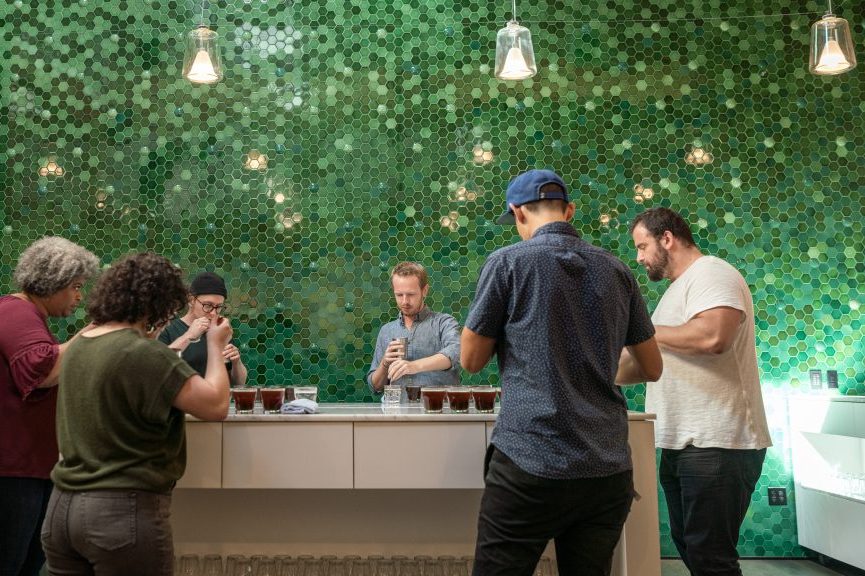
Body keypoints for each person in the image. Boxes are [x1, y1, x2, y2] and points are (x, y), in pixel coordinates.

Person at [461, 169, 663, 576]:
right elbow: (651, 366)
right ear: (569, 211)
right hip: (605, 468)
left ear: (518, 213)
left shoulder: (507, 263)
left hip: (530, 459)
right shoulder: (617, 270)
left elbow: (470, 359)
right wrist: (593, 366)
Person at [40, 252, 233, 576]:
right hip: (120, 512)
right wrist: (215, 345)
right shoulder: (143, 353)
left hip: (61, 510)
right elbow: (215, 406)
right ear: (159, 305)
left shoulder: (80, 345)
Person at [621, 207, 771, 576]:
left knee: (711, 557)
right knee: (691, 546)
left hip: (718, 441)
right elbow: (644, 364)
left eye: (642, 246)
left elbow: (713, 336)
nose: (638, 257)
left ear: (667, 239)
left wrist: (644, 333)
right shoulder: (676, 292)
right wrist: (585, 370)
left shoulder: (711, 273)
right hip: (682, 443)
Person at [0, 236, 99, 576]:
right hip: (13, 470)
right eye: (76, 287)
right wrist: (96, 330)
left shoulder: (27, 315)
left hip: (29, 466)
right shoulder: (16, 312)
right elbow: (42, 371)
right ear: (53, 281)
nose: (79, 297)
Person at [367, 262, 460, 395]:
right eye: (399, 295)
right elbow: (375, 387)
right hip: (397, 407)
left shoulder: (444, 323)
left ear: (424, 291)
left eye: (410, 294)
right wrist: (384, 364)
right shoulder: (386, 331)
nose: (405, 301)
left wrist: (413, 366)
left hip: (437, 407)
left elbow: (456, 352)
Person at [159, 271, 247, 387]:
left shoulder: (220, 331)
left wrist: (236, 362)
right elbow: (157, 369)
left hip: (218, 397)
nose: (213, 313)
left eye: (219, 307)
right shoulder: (169, 330)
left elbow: (240, 383)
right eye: (208, 305)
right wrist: (189, 336)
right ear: (191, 300)